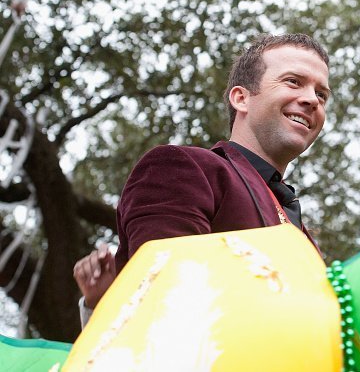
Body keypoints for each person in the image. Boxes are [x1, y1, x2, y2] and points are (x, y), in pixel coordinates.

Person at [73, 33, 331, 322]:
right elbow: (164, 300)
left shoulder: (303, 231)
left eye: (322, 94)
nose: (312, 100)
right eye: (293, 81)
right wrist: (99, 307)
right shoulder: (181, 167)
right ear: (241, 98)